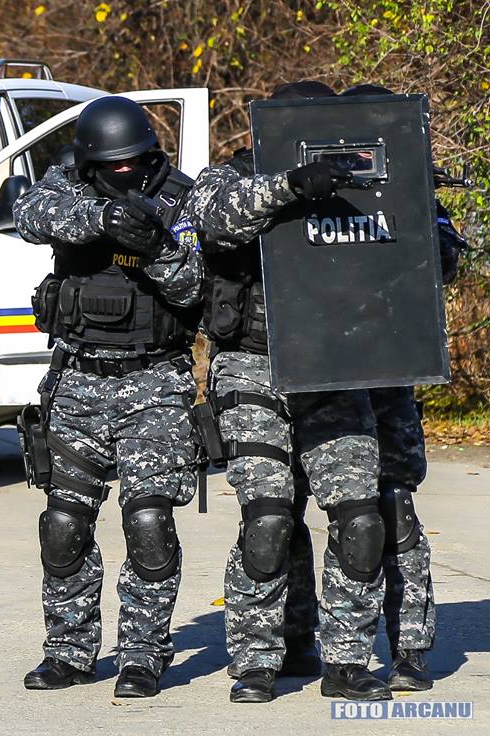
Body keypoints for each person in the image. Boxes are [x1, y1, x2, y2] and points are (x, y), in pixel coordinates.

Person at [199, 80, 392, 703]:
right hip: (252, 365)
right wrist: (291, 185)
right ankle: (257, 660)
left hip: (336, 367)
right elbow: (214, 219)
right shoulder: (231, 176)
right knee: (268, 520)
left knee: (360, 520)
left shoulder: (360, 180)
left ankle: (347, 661)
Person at [279, 82, 471, 692]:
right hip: (311, 374)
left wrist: (415, 211)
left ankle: (411, 647)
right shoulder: (283, 187)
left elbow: (448, 262)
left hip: (389, 371)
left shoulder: (406, 186)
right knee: (293, 515)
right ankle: (298, 642)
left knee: (395, 510)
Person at [13, 95, 207, 698]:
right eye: (111, 165)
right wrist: (101, 220)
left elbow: (195, 291)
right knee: (63, 525)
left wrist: (157, 248)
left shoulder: (181, 198)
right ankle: (68, 652)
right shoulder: (68, 186)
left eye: (132, 162)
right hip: (78, 379)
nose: (123, 173)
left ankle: (143, 656)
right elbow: (30, 215)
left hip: (155, 382)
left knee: (149, 524)